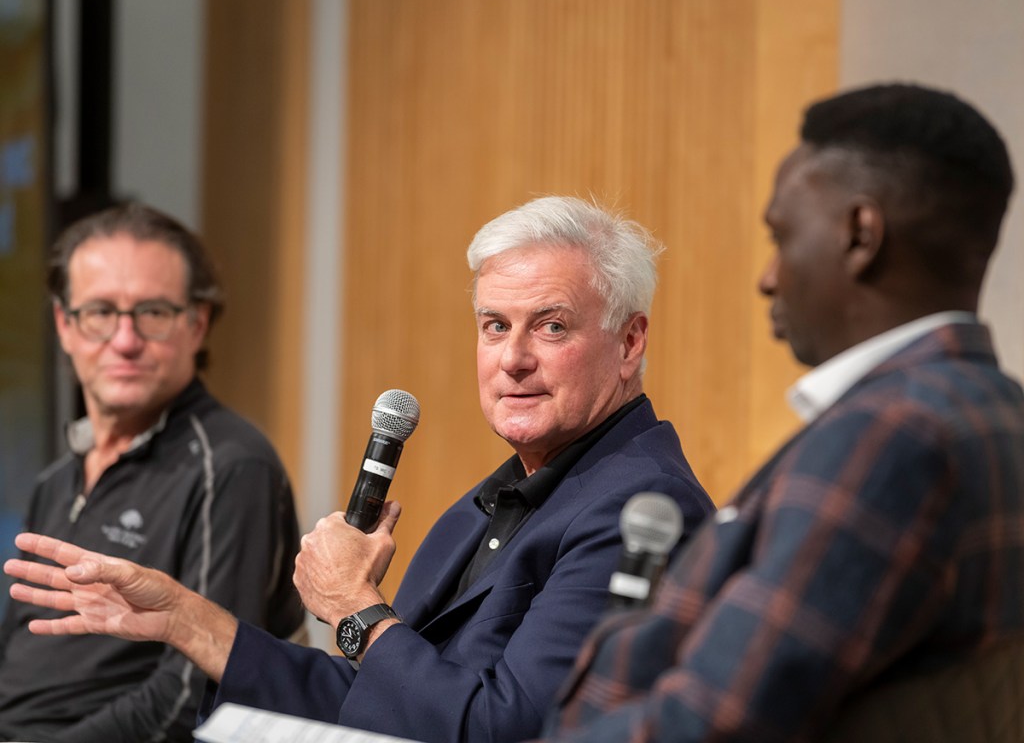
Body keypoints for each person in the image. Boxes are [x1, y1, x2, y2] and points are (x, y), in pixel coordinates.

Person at [4, 197, 716, 742]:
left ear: (629, 342)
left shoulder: (642, 504)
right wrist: (185, 620)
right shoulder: (498, 497)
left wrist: (354, 606)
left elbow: (509, 729)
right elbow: (372, 700)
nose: (513, 359)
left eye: (551, 326)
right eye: (495, 325)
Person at [538, 83, 1024, 742]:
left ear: (860, 235)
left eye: (782, 236)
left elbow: (710, 724)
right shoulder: (995, 410)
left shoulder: (891, 437)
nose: (768, 277)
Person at [0, 204, 306, 742]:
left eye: (153, 312)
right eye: (100, 312)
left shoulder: (231, 468)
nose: (125, 340)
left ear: (197, 324)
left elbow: (194, 694)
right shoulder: (57, 480)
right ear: (64, 325)